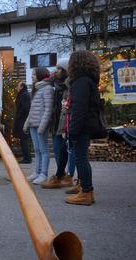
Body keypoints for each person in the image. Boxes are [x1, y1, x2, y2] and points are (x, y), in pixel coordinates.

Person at [64, 50, 102, 205]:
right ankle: (84, 188)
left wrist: (72, 131)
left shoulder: (81, 82)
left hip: (83, 125)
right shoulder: (88, 81)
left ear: (76, 63)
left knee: (81, 158)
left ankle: (86, 191)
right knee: (81, 157)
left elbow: (80, 109)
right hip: (87, 124)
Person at [42, 58, 75, 189]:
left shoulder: (70, 85)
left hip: (66, 122)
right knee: (57, 149)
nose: (56, 71)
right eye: (56, 68)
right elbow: (44, 81)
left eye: (59, 68)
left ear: (66, 70)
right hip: (56, 122)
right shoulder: (54, 83)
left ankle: (70, 175)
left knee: (69, 150)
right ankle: (60, 175)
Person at [23, 67, 54, 185]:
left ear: (40, 75)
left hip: (40, 125)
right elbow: (32, 110)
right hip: (33, 124)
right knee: (36, 149)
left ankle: (43, 174)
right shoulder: (36, 89)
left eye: (34, 75)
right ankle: (36, 172)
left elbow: (48, 109)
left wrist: (42, 126)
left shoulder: (47, 89)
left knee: (43, 150)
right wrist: (27, 123)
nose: (32, 77)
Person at [13, 81, 31, 164]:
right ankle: (26, 157)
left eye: (18, 86)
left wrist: (19, 117)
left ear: (22, 86)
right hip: (22, 120)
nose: (16, 87)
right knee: (23, 139)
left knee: (24, 139)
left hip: (23, 120)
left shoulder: (24, 95)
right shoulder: (23, 94)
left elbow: (25, 108)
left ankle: (27, 158)